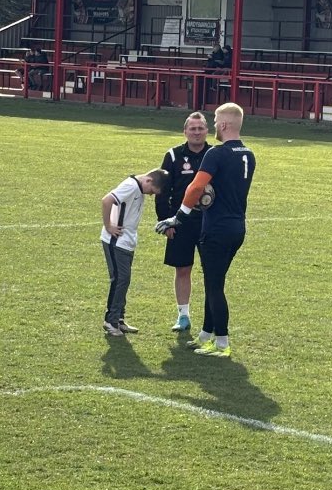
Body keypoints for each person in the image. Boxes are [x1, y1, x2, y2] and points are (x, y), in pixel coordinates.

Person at [155, 102, 255, 358]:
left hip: (216, 229)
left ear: (224, 124)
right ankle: (205, 335)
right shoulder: (248, 154)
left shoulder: (216, 153)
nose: (214, 127)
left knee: (214, 287)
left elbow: (196, 188)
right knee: (215, 282)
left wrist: (178, 216)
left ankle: (222, 343)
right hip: (237, 227)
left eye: (215, 122)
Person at [155, 111, 211, 332]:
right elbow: (162, 191)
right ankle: (183, 316)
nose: (197, 132)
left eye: (200, 128)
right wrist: (166, 222)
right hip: (180, 223)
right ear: (185, 131)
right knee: (182, 269)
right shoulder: (173, 155)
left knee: (212, 271)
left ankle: (211, 316)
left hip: (209, 223)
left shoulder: (215, 155)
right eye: (192, 128)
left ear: (207, 131)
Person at [101, 168, 170, 337]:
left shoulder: (138, 187)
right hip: (116, 241)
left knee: (124, 280)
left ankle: (119, 319)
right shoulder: (130, 186)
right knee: (120, 279)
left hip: (127, 242)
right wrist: (109, 226)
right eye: (152, 191)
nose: (151, 195)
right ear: (148, 180)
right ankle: (110, 321)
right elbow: (106, 200)